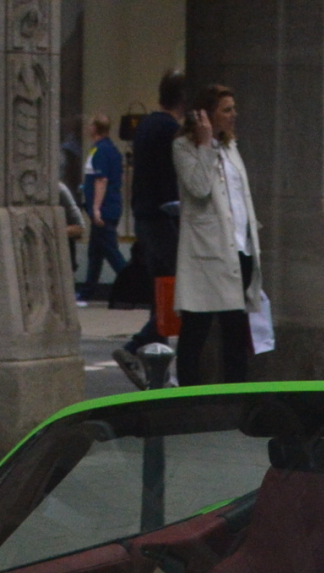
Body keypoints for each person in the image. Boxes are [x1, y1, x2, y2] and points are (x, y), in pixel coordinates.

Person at [171, 84, 261, 387]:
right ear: (206, 116)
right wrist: (205, 144)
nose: (234, 115)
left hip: (239, 249)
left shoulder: (231, 147)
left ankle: (236, 394)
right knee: (196, 326)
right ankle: (187, 394)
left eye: (233, 108)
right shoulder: (184, 147)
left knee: (236, 329)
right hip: (207, 253)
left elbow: (240, 196)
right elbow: (199, 187)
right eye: (226, 110)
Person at [112, 71, 188, 387]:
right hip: (164, 219)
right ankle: (137, 347)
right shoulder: (170, 129)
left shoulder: (145, 125)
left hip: (146, 218)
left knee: (163, 292)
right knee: (176, 293)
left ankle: (158, 364)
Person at [78, 116, 126, 303]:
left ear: (95, 127)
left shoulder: (100, 151)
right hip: (109, 207)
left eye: (90, 124)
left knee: (111, 252)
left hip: (103, 210)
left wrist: (96, 208)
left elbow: (101, 180)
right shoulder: (110, 150)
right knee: (95, 253)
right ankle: (87, 291)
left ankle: (136, 284)